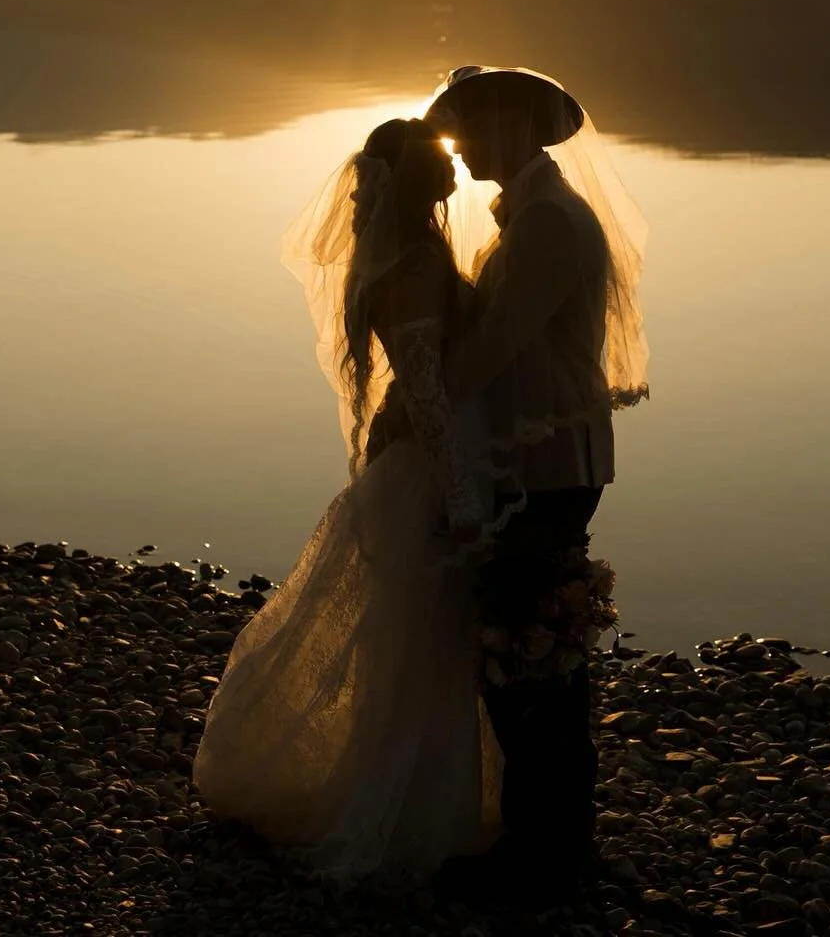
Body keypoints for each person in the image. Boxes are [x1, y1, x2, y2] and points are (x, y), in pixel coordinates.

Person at [192, 116, 501, 879]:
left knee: (403, 639)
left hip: (414, 464)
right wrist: (462, 499)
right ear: (421, 181)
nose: (458, 169)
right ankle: (402, 814)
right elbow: (426, 394)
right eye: (445, 161)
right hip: (429, 472)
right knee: (420, 643)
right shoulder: (417, 268)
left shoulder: (399, 258)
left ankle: (419, 800)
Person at [424, 64, 649, 900]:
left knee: (531, 646)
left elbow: (496, 349)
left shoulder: (550, 223)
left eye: (471, 134)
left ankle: (547, 846)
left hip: (549, 460)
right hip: (535, 455)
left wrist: (419, 405)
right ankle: (547, 836)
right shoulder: (531, 213)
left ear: (513, 128)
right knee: (524, 639)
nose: (464, 151)